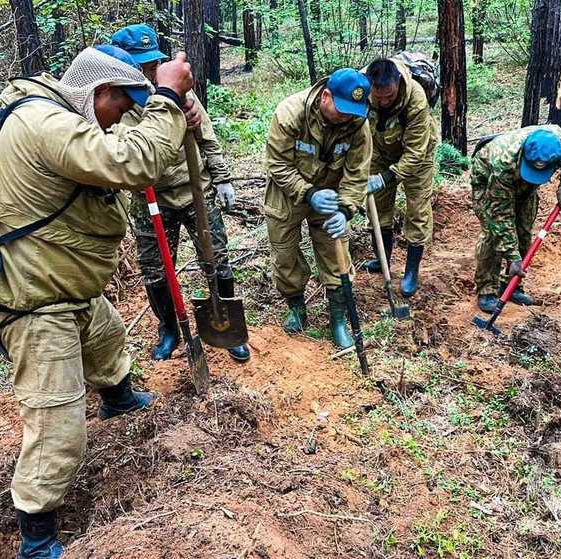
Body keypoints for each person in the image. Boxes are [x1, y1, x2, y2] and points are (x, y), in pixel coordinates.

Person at [0, 45, 196, 558]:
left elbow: (120, 140)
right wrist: (166, 96)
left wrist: (173, 112)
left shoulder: (65, 115)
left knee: (105, 337)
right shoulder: (44, 123)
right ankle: (36, 535)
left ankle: (118, 396)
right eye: (122, 105)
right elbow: (130, 159)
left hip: (65, 284)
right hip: (35, 299)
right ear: (99, 93)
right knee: (58, 420)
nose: (123, 117)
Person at [112, 24, 250, 362]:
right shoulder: (116, 101)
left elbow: (207, 136)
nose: (146, 70)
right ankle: (169, 329)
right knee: (156, 268)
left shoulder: (177, 91)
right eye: (138, 64)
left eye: (150, 63)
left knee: (216, 259)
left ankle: (226, 326)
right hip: (150, 196)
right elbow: (122, 152)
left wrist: (223, 179)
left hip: (194, 191)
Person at [264, 68, 372, 349]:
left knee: (336, 254)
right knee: (285, 253)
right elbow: (277, 164)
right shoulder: (290, 113)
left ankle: (337, 319)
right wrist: (308, 193)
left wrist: (345, 210)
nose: (347, 117)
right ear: (325, 96)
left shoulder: (358, 124)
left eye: (353, 111)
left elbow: (358, 173)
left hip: (332, 194)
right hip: (288, 192)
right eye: (342, 109)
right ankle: (296, 307)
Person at [471, 125, 561, 312]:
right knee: (493, 234)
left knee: (523, 230)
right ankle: (487, 290)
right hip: (488, 178)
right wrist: (513, 257)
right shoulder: (503, 161)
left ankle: (511, 286)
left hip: (522, 181)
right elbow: (500, 215)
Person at [362, 57, 438, 298]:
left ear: (397, 84)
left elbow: (415, 153)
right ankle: (382, 259)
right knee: (378, 205)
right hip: (379, 149)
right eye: (379, 97)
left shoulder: (415, 98)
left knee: (417, 209)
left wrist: (386, 178)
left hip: (417, 153)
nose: (383, 102)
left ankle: (411, 272)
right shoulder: (361, 89)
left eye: (389, 97)